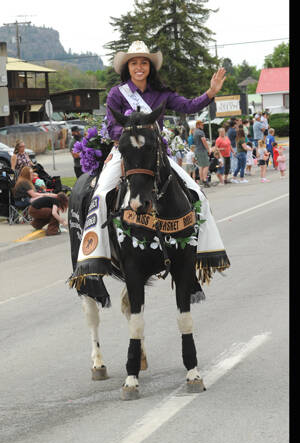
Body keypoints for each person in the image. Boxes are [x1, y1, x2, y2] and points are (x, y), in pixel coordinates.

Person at [71, 40, 229, 289]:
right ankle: (94, 255)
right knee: (99, 196)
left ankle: (200, 252)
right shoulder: (117, 93)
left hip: (156, 155)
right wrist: (134, 134)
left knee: (197, 193)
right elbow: (112, 126)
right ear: (127, 67)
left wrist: (210, 93)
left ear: (150, 67)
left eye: (143, 62)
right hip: (125, 154)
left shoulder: (162, 94)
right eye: (134, 63)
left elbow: (188, 106)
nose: (139, 67)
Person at [193, 120, 211, 187]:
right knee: (206, 165)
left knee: (201, 166)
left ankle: (201, 180)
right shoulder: (201, 132)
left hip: (197, 150)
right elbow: (204, 141)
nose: (203, 126)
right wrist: (208, 149)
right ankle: (204, 180)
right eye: (202, 125)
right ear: (198, 125)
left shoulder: (195, 132)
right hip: (202, 150)